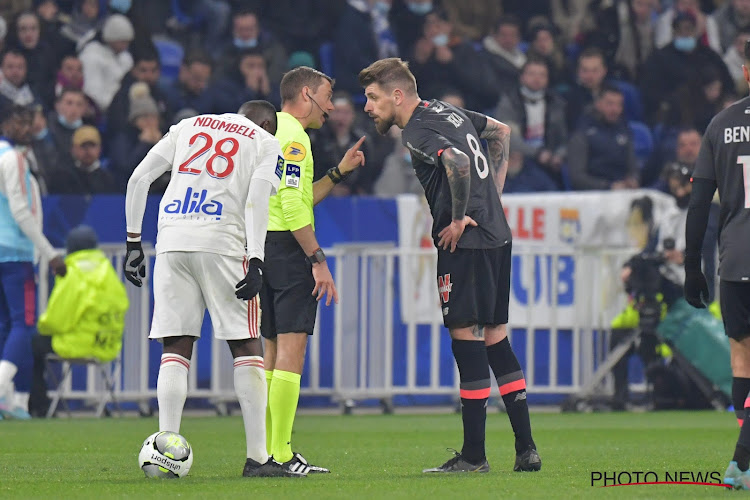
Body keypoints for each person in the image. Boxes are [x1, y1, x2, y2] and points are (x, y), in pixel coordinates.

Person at [358, 57, 540, 473]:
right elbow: (501, 132)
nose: (368, 107)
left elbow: (456, 162)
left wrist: (459, 217)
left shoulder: (417, 129)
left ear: (397, 95)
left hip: (467, 238)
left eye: (373, 97)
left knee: (466, 336)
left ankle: (474, 456)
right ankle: (526, 448)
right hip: (497, 232)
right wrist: (492, 195)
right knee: (496, 336)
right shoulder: (448, 110)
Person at [123, 100, 293, 477]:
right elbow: (256, 199)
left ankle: (166, 449)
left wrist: (133, 243)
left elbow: (139, 178)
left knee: (176, 345)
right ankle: (258, 459)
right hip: (222, 242)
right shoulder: (266, 142)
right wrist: (256, 257)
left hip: (171, 240)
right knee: (246, 344)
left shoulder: (188, 124)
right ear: (268, 123)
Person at [261, 66, 366, 475]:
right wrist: (318, 261)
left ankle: (266, 452)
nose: (331, 105)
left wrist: (339, 172)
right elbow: (292, 208)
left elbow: (298, 197)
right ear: (307, 93)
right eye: (327, 95)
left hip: (263, 246)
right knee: (290, 352)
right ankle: (282, 455)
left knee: (270, 354)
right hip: (288, 250)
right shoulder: (295, 139)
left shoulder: (270, 131)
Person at [686, 39, 750, 490]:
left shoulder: (720, 124)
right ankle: (741, 464)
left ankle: (743, 465)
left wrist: (694, 265)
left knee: (742, 357)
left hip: (735, 259)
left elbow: (698, 204)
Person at [0, 104, 66, 420]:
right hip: (15, 252)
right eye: (20, 122)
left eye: (30, 122)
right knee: (24, 324)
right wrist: (49, 252)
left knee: (4, 327)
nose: (26, 128)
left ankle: (7, 400)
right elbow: (20, 209)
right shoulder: (12, 158)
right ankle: (1, 390)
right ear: (5, 123)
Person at [30, 225, 128, 418]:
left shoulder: (73, 272)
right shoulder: (108, 271)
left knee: (34, 343)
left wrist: (42, 326)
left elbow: (56, 321)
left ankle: (38, 407)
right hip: (109, 345)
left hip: (79, 345)